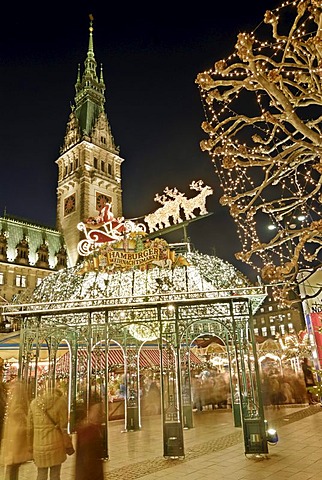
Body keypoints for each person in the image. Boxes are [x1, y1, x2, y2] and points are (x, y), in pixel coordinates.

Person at [27, 387, 70, 480]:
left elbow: (29, 428)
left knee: (41, 473)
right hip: (56, 443)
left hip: (39, 445)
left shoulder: (34, 403)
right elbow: (64, 424)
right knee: (55, 474)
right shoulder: (61, 402)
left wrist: (30, 445)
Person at [0, 381, 32, 480]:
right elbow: (21, 427)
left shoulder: (9, 405)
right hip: (15, 443)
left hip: (11, 442)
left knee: (12, 467)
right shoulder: (18, 409)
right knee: (12, 468)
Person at [75, 402, 105, 480]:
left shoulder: (85, 429)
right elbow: (89, 459)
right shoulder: (92, 431)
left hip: (84, 472)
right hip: (90, 473)